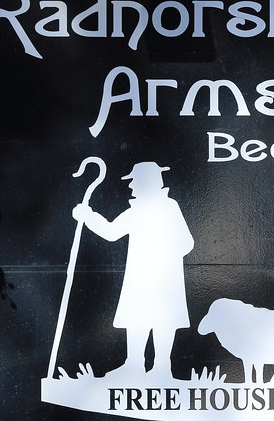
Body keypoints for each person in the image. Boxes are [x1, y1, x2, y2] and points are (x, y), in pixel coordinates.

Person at [73, 161, 194, 378]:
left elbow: (186, 243)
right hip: (140, 278)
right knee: (138, 317)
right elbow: (111, 231)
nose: (131, 187)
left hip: (163, 279)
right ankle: (134, 365)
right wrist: (88, 216)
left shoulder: (169, 207)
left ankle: (161, 369)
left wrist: (162, 254)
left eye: (134, 182)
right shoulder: (136, 210)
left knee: (163, 320)